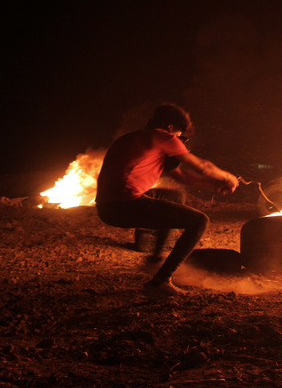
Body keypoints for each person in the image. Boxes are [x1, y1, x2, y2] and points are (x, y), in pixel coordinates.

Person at [95, 103, 239, 297]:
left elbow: (183, 177)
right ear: (171, 128)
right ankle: (160, 282)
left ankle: (155, 259)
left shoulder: (136, 138)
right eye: (180, 135)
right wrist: (227, 177)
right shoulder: (163, 137)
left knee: (175, 196)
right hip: (124, 205)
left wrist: (215, 186)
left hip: (107, 207)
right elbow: (203, 166)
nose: (180, 141)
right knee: (200, 221)